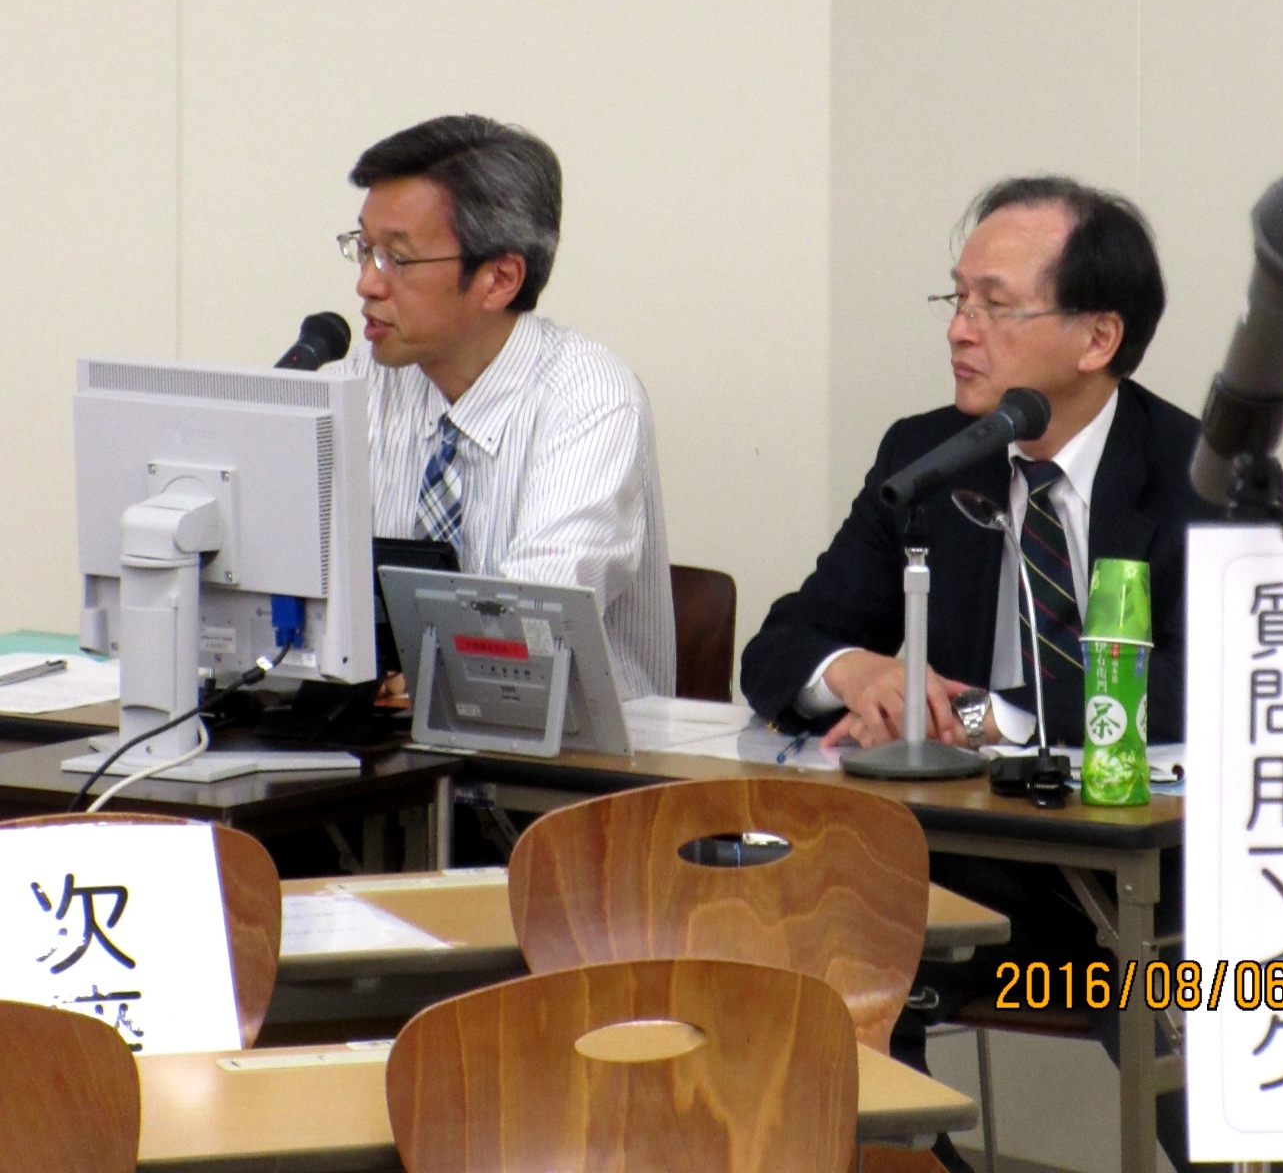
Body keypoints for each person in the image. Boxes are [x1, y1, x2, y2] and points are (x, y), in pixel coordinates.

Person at [740, 174, 1209, 1172]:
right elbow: (781, 644)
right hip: (964, 885)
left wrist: (987, 715)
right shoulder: (928, 454)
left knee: (1208, 1006)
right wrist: (855, 671)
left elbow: (1204, 689)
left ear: (1097, 337)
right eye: (956, 299)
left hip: (1143, 904)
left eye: (996, 305)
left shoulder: (1197, 473)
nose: (960, 330)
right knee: (807, 913)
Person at [331, 113, 675, 700]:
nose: (367, 283)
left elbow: (534, 624)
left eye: (397, 258)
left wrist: (430, 673)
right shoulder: (356, 385)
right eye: (364, 249)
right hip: (375, 742)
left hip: (567, 748)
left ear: (499, 278)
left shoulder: (590, 399)